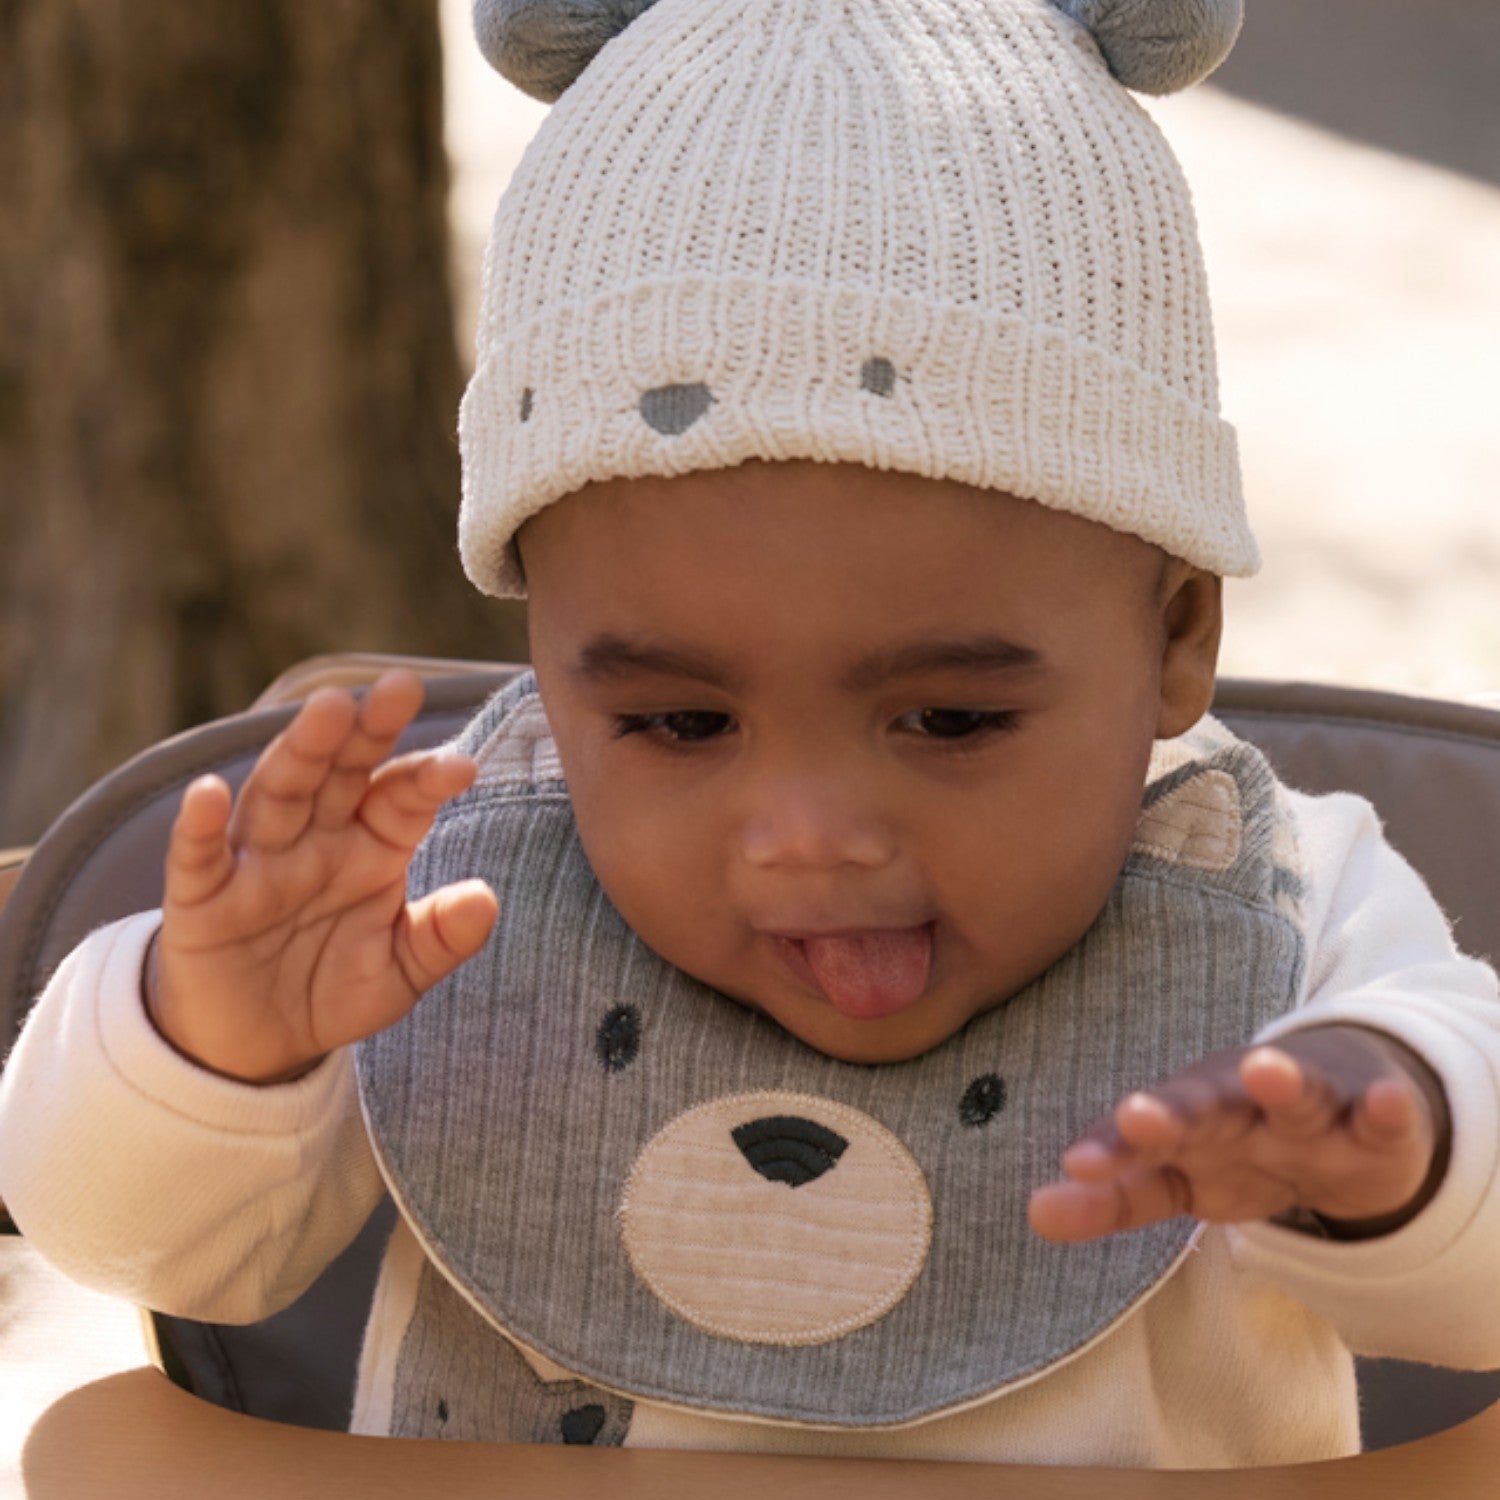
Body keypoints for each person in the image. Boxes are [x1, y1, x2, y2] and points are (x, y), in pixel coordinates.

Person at [3, 0, 1499, 1467]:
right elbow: (131, 1247)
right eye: (674, 720)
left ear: (1178, 637)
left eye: (951, 717)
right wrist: (213, 1045)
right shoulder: (436, 903)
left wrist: (1400, 1139)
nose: (808, 831)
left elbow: (1477, 1285)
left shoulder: (1284, 916)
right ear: (542, 653)